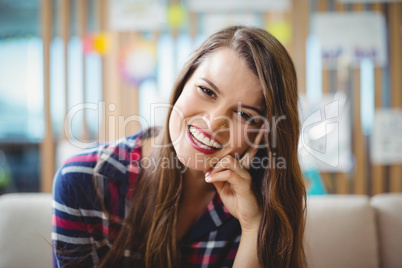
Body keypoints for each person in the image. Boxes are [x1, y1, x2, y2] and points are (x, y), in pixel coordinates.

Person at [52, 25, 306, 268]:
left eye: (245, 115)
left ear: (264, 134)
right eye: (207, 91)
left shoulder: (257, 203)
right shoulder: (84, 181)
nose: (214, 122)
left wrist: (254, 228)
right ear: (181, 84)